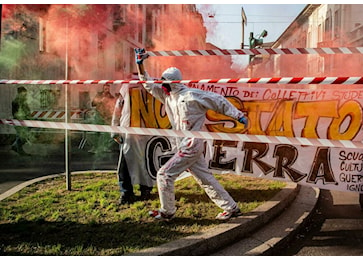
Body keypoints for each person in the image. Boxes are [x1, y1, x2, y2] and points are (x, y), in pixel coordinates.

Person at [135, 48, 249, 221]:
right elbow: (148, 84)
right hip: (184, 144)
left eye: (164, 81)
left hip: (191, 145)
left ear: (172, 82)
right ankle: (231, 207)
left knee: (164, 174)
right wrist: (140, 65)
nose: (161, 84)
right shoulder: (168, 96)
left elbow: (217, 100)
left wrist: (237, 115)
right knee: (205, 178)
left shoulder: (192, 95)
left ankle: (168, 211)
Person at [111, 74, 155, 205]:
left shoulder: (126, 87)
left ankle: (127, 192)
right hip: (145, 131)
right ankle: (144, 190)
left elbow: (117, 110)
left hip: (130, 131)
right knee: (145, 162)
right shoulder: (150, 86)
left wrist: (114, 130)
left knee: (126, 164)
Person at [90, 83, 116, 153]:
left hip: (106, 117)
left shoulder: (111, 97)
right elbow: (92, 104)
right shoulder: (99, 95)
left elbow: (114, 106)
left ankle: (105, 147)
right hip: (98, 116)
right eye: (105, 88)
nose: (106, 89)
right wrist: (100, 101)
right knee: (96, 132)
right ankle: (95, 148)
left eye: (108, 88)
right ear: (103, 88)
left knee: (107, 133)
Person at [11, 86, 31, 156]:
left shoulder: (22, 101)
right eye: (24, 93)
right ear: (20, 93)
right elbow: (16, 113)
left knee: (20, 136)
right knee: (23, 136)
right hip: (19, 120)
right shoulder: (17, 101)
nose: (25, 94)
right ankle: (19, 150)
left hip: (21, 120)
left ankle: (15, 146)